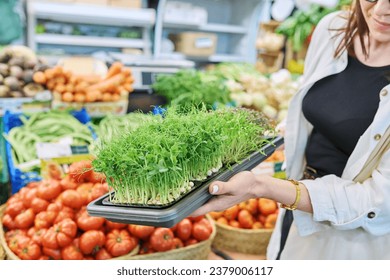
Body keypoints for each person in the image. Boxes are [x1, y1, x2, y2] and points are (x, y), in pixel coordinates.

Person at [191, 0, 390, 259]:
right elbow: (319, 111)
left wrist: (261, 187)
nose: (380, 11)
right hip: (296, 210)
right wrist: (281, 136)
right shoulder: (334, 29)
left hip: (354, 239)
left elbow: (378, 200)